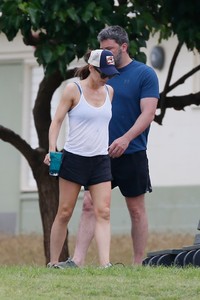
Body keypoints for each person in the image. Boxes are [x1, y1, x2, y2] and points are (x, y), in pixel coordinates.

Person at [60, 25, 159, 268]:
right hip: (99, 154)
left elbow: (148, 114)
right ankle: (77, 261)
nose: (105, 54)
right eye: (101, 49)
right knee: (89, 205)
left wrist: (125, 138)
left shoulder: (144, 74)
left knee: (136, 209)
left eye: (110, 49)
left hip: (132, 151)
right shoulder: (98, 74)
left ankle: (138, 264)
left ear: (123, 47)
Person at [43, 49, 119, 269]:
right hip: (74, 158)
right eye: (103, 73)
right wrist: (52, 150)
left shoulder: (110, 92)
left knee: (103, 211)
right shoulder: (72, 89)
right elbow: (56, 121)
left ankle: (106, 264)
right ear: (92, 68)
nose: (107, 78)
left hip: (100, 160)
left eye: (110, 74)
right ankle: (54, 263)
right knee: (64, 211)